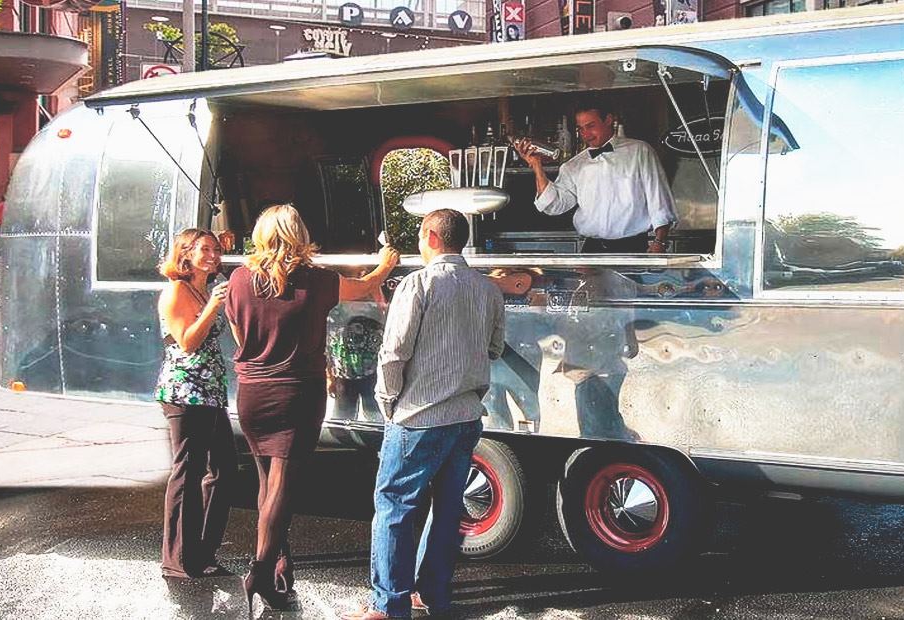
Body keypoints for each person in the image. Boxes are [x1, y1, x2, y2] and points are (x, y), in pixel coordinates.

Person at [224, 204, 399, 610]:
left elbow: (237, 334)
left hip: (252, 390)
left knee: (267, 482)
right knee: (283, 482)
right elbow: (364, 285)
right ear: (299, 234)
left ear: (262, 235)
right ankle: (261, 572)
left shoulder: (237, 279)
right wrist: (387, 263)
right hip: (297, 390)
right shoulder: (315, 281)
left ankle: (279, 565)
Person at [344, 210, 505, 620]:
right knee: (448, 506)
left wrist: (387, 402)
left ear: (431, 236)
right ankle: (431, 592)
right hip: (466, 414)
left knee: (394, 506)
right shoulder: (488, 289)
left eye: (419, 235)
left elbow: (393, 352)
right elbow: (495, 348)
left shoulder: (418, 284)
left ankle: (388, 605)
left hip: (417, 414)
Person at [153, 228, 236, 580]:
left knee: (225, 470)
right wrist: (214, 306)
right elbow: (187, 342)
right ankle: (178, 559)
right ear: (185, 254)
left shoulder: (202, 289)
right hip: (184, 394)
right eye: (205, 250)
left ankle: (203, 550)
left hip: (211, 392)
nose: (213, 256)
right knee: (188, 473)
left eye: (216, 250)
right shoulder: (175, 291)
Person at [514, 103, 677, 253]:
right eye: (581, 129)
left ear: (608, 120)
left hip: (633, 247)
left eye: (591, 126)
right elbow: (554, 205)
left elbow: (659, 200)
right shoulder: (574, 165)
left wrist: (660, 242)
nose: (586, 135)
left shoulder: (640, 151)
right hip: (591, 249)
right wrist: (536, 165)